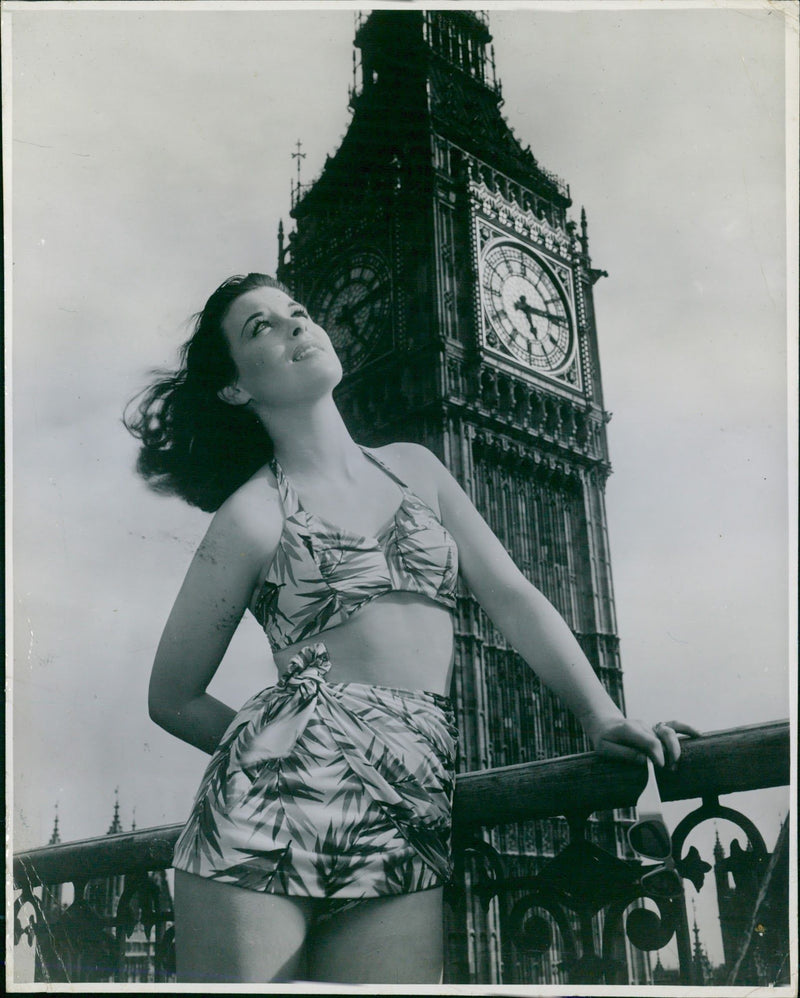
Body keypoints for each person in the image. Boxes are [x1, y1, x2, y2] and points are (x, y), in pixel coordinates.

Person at [125, 272, 696, 985]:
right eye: (260, 327)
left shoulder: (414, 470)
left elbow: (513, 598)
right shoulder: (249, 515)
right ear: (237, 389)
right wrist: (297, 750)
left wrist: (601, 715)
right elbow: (171, 696)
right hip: (266, 817)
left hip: (408, 810)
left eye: (296, 310)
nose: (295, 324)